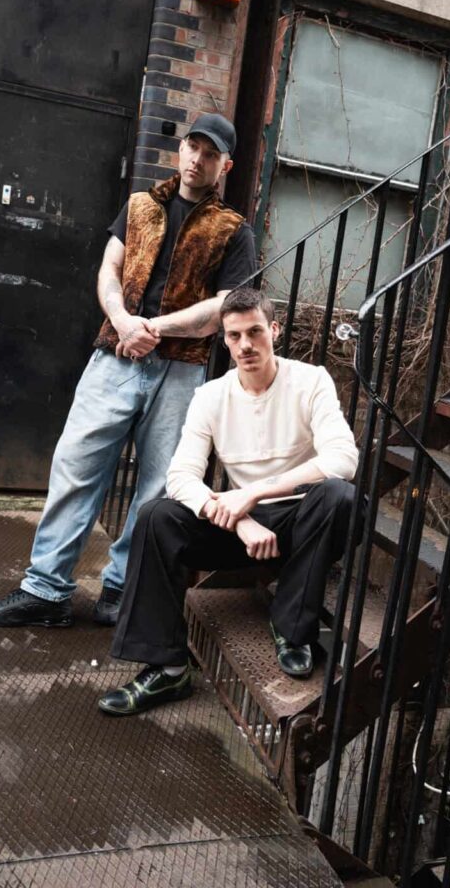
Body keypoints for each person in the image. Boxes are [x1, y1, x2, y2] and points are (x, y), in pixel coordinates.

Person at [0, 114, 256, 629]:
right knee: (75, 464)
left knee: (158, 487)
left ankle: (122, 591)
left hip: (180, 370)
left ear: (225, 165)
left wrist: (154, 326)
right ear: (181, 150)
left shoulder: (233, 231)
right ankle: (46, 590)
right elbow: (108, 269)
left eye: (210, 153)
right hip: (114, 356)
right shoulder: (140, 208)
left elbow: (224, 309)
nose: (197, 158)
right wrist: (124, 322)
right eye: (192, 146)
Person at [98, 287, 360, 716]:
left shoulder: (311, 380)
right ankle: (167, 667)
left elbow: (343, 459)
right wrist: (240, 519)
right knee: (156, 516)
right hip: (241, 526)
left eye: (255, 332)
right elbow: (180, 476)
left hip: (301, 518)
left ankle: (293, 630)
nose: (245, 345)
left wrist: (252, 492)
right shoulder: (211, 396)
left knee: (340, 496)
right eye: (234, 335)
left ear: (273, 330)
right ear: (224, 338)